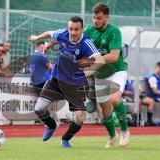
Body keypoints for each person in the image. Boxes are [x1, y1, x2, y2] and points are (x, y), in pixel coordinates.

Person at [29, 16, 104, 148]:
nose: (73, 32)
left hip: (76, 85)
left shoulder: (86, 43)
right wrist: (38, 40)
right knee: (39, 109)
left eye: (76, 29)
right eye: (71, 29)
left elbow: (100, 60)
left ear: (82, 29)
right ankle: (52, 126)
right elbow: (49, 34)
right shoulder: (63, 34)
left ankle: (65, 139)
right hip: (57, 80)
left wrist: (91, 69)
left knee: (80, 119)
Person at [79, 3, 130, 148]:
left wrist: (92, 64)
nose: (95, 21)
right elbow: (79, 48)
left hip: (116, 71)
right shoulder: (88, 31)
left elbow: (114, 56)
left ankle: (125, 131)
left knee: (114, 98)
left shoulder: (114, 32)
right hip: (100, 75)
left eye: (99, 18)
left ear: (106, 17)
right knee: (105, 110)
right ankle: (113, 135)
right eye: (94, 17)